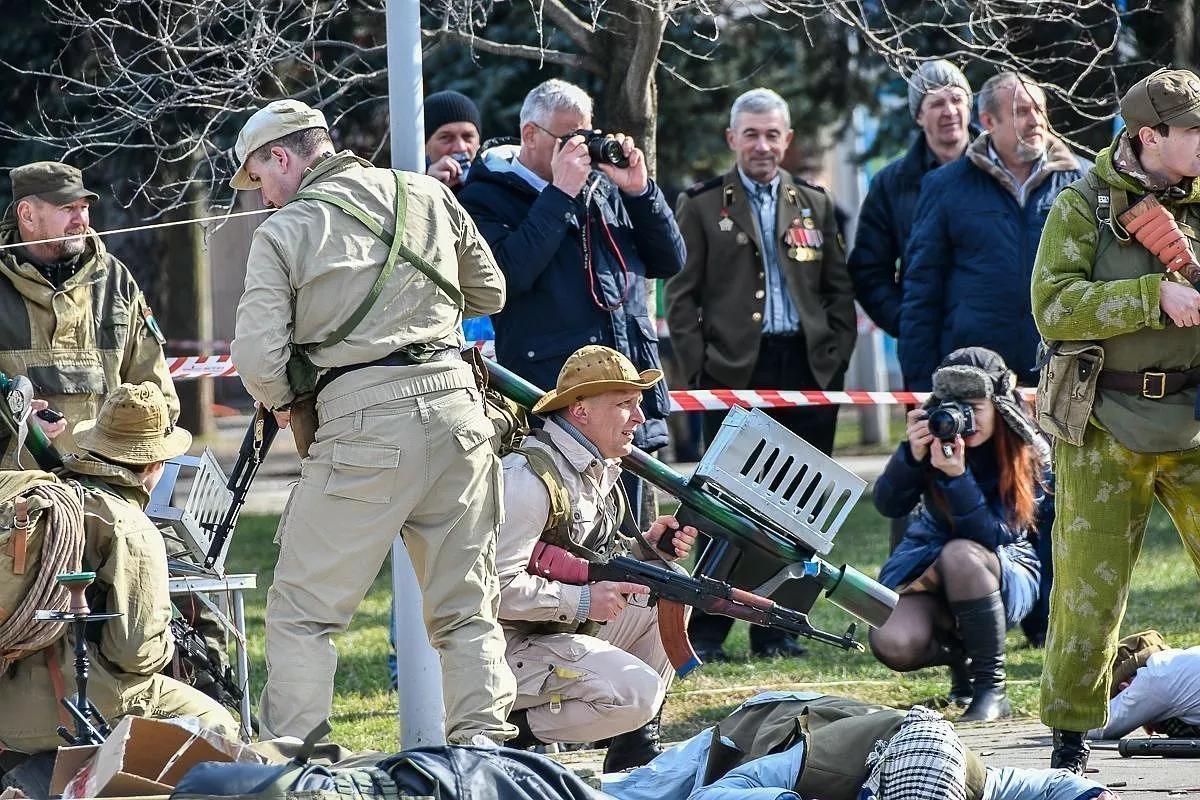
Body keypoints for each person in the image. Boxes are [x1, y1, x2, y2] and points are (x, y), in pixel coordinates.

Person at [228, 98, 517, 744]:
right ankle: (486, 757)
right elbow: (490, 292)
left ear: (282, 157)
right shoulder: (427, 194)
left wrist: (287, 395)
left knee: (304, 614)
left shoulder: (284, 231)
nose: (264, 196)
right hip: (460, 417)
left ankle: (295, 764)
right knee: (468, 611)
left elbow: (258, 360)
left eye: (261, 177)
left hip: (361, 428)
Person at [1030, 67, 1200, 774]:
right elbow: (1053, 306)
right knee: (1088, 592)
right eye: (1192, 130)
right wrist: (1151, 296)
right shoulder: (1082, 207)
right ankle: (1069, 742)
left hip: (1192, 419)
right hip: (1105, 421)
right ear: (1148, 136)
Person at [665, 87, 856, 662]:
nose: (763, 145)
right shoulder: (702, 205)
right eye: (751, 134)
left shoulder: (814, 204)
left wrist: (833, 359)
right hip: (732, 372)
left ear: (787, 139)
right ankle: (708, 630)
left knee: (802, 509)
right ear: (732, 139)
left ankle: (779, 630)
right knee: (727, 506)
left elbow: (838, 290)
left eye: (773, 134)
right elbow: (681, 297)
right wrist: (700, 373)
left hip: (807, 369)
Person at [458, 78, 686, 524]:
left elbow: (670, 259)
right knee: (566, 537)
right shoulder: (485, 196)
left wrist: (639, 191)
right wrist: (559, 195)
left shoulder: (602, 188)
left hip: (624, 398)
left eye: (586, 135)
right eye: (568, 138)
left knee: (627, 537)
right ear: (530, 135)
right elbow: (507, 277)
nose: (580, 149)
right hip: (556, 402)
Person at [0, 382, 236, 754]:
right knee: (218, 725)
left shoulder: (50, 495)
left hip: (7, 699)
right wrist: (168, 643)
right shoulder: (130, 526)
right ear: (155, 464)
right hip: (68, 708)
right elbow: (133, 654)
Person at [496, 345, 698, 773]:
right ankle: (509, 734)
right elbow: (492, 589)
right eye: (624, 404)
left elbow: (586, 559)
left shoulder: (597, 468)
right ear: (580, 410)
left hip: (550, 630)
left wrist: (645, 550)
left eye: (638, 404)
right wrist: (585, 601)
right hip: (502, 648)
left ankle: (635, 749)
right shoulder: (529, 478)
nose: (639, 418)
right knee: (636, 692)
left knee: (668, 586)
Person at [868, 347, 1049, 723]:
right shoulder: (936, 437)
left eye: (974, 407)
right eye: (954, 406)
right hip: (929, 560)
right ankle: (961, 657)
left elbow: (993, 536)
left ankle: (991, 690)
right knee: (892, 641)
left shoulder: (1027, 450)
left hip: (1004, 567)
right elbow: (888, 504)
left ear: (999, 407)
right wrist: (911, 456)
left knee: (961, 554)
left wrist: (957, 477)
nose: (963, 418)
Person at [900, 72, 1087, 392]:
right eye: (1021, 111)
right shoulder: (946, 186)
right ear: (988, 120)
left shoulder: (1083, 181)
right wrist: (921, 390)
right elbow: (921, 294)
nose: (1035, 121)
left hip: (1065, 374)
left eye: (1039, 109)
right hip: (975, 377)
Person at [0, 161, 178, 467]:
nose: (80, 219)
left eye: (83, 207)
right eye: (67, 207)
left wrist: (139, 470)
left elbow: (157, 394)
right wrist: (15, 425)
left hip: (106, 484)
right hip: (14, 489)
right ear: (27, 215)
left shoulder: (116, 281)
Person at [604, 695, 1118, 800]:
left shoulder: (970, 777)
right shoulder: (819, 764)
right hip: (758, 729)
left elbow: (1049, 784)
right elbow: (718, 793)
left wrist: (1092, 795)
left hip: (842, 724)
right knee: (630, 793)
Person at [848, 59, 975, 340]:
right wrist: (908, 323)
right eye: (937, 103)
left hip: (1000, 340)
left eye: (956, 99)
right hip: (930, 346)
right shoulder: (891, 185)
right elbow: (869, 271)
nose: (949, 111)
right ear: (919, 116)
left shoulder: (1000, 170)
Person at [424, 90, 482, 192]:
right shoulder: (405, 185)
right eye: (446, 137)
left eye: (468, 136)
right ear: (424, 146)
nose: (461, 148)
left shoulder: (498, 181)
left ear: (478, 143)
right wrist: (427, 190)